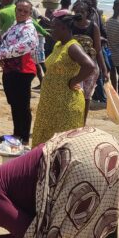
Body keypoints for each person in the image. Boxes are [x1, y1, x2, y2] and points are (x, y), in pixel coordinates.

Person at [30, 13, 97, 146]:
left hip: (66, 103)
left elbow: (90, 66)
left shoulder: (72, 46)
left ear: (63, 28)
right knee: (45, 140)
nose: (51, 30)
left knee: (61, 143)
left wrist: (74, 81)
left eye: (54, 27)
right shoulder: (58, 45)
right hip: (51, 102)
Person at [0, 0, 39, 145]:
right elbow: (2, 42)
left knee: (22, 105)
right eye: (19, 10)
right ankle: (16, 134)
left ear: (30, 13)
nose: (22, 13)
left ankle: (23, 137)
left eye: (26, 11)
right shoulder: (15, 25)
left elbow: (24, 46)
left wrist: (0, 55)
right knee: (14, 103)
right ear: (15, 10)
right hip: (10, 69)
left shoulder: (29, 28)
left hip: (23, 71)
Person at [70, 0, 105, 123]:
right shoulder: (70, 25)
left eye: (82, 11)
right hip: (72, 67)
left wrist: (104, 69)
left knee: (86, 96)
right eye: (76, 11)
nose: (79, 13)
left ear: (88, 13)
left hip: (90, 67)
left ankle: (82, 123)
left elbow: (98, 50)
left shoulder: (93, 27)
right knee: (73, 94)